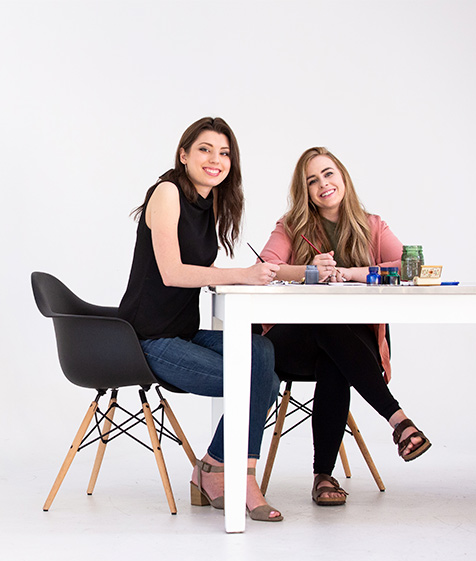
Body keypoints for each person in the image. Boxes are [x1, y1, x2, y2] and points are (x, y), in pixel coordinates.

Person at [118, 117, 283, 521]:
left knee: (263, 357)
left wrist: (293, 271)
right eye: (205, 149)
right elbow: (173, 273)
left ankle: (211, 466)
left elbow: (209, 271)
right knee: (253, 381)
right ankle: (241, 480)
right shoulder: (167, 193)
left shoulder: (208, 204)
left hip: (183, 334)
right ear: (184, 154)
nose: (216, 159)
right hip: (147, 339)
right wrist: (241, 275)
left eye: (224, 152)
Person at [258, 146, 432, 506]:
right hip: (294, 344)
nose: (323, 184)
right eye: (312, 181)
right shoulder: (290, 226)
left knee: (334, 358)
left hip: (352, 347)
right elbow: (265, 268)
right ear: (303, 191)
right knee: (325, 323)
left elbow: (408, 266)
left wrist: (351, 273)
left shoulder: (372, 225)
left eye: (328, 174)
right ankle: (399, 421)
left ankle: (323, 476)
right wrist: (309, 273)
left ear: (343, 178)